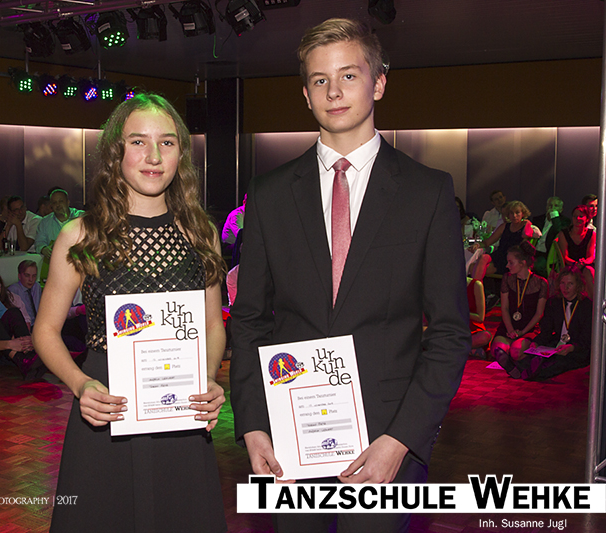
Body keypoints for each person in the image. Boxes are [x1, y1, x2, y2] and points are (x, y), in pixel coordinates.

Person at [229, 19, 469, 533]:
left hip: (387, 441)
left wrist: (401, 440)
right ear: (305, 94)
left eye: (349, 75)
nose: (333, 91)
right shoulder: (269, 194)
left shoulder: (427, 192)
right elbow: (249, 320)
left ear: (378, 83)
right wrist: (252, 425)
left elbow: (450, 332)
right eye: (320, 79)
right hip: (290, 439)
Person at [33, 93, 227, 532]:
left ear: (181, 154)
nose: (154, 156)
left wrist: (208, 377)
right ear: (115, 152)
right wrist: (80, 384)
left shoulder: (201, 232)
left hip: (181, 406)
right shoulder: (80, 234)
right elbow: (45, 329)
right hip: (106, 407)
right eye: (138, 141)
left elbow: (213, 325)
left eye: (167, 142)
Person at [490, 242, 549, 378]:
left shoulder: (541, 283)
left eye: (511, 262)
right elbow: (504, 308)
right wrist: (510, 329)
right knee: (498, 350)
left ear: (522, 263)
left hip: (529, 327)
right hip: (509, 325)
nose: (507, 265)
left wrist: (523, 332)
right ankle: (517, 366)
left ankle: (522, 365)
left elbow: (539, 313)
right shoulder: (507, 279)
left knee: (516, 352)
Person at [524, 267, 592, 380]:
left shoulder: (587, 306)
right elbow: (546, 330)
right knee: (532, 356)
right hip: (558, 344)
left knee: (559, 363)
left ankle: (529, 373)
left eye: (570, 284)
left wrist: (572, 347)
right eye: (562, 283)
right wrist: (536, 342)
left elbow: (587, 337)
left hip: (577, 348)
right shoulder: (553, 302)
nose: (566, 288)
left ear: (578, 285)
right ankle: (522, 369)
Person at [482, 200, 540, 275]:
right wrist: (477, 245)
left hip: (512, 260)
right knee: (479, 261)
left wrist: (527, 222)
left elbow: (526, 235)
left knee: (479, 269)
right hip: (499, 256)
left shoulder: (526, 225)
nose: (514, 216)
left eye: (517, 213)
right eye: (511, 213)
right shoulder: (504, 226)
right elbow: (488, 242)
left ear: (522, 213)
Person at [34, 189, 84, 261]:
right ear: (51, 205)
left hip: (79, 261)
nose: (58, 205)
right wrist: (43, 249)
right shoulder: (44, 222)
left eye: (61, 201)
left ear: (68, 202)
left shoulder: (81, 217)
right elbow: (39, 242)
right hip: (55, 262)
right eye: (54, 202)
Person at [557, 204, 596, 296]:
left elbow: (591, 256)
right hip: (570, 265)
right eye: (575, 216)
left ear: (587, 219)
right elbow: (565, 257)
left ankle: (593, 302)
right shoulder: (564, 234)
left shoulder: (591, 234)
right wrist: (575, 264)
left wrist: (583, 263)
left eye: (581, 216)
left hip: (585, 265)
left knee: (588, 271)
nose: (577, 218)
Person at [531, 196, 570, 278]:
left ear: (561, 209)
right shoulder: (538, 219)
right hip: (534, 250)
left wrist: (554, 216)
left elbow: (558, 230)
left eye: (556, 206)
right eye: (550, 205)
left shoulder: (565, 221)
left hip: (548, 253)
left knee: (538, 265)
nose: (552, 208)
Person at [467, 276, 492, 358]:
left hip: (473, 328)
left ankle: (454, 347)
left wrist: (460, 312)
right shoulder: (447, 285)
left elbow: (480, 318)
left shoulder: (476, 285)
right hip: (454, 328)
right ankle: (470, 350)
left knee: (485, 336)